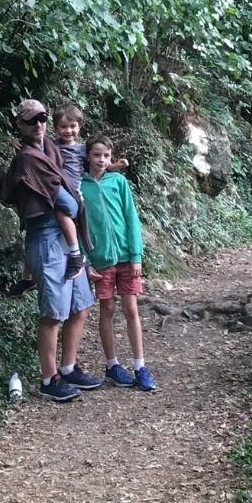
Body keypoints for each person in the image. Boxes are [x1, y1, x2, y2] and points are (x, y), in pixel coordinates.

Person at [1, 99, 102, 402]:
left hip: (64, 240)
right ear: (20, 125)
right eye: (31, 121)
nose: (39, 125)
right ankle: (49, 378)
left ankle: (68, 368)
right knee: (54, 314)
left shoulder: (50, 148)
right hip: (46, 239)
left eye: (43, 118)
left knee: (81, 304)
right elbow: (69, 204)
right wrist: (74, 204)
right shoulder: (29, 158)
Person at [7, 103, 128, 298]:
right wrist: (15, 142)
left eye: (72, 126)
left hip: (71, 191)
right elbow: (32, 146)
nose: (68, 131)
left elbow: (98, 165)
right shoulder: (51, 143)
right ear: (55, 128)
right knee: (33, 231)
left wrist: (115, 165)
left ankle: (76, 255)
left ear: (80, 127)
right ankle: (27, 276)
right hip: (54, 186)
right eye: (63, 127)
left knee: (65, 215)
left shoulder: (82, 149)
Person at [80, 134, 156, 392]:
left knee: (131, 310)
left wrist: (136, 255)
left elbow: (131, 219)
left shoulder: (119, 182)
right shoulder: (80, 186)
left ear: (111, 158)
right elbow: (79, 225)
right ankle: (112, 365)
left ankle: (140, 366)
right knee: (107, 310)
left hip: (126, 257)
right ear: (88, 156)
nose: (101, 160)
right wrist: (86, 259)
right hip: (100, 260)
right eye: (96, 155)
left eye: (106, 156)